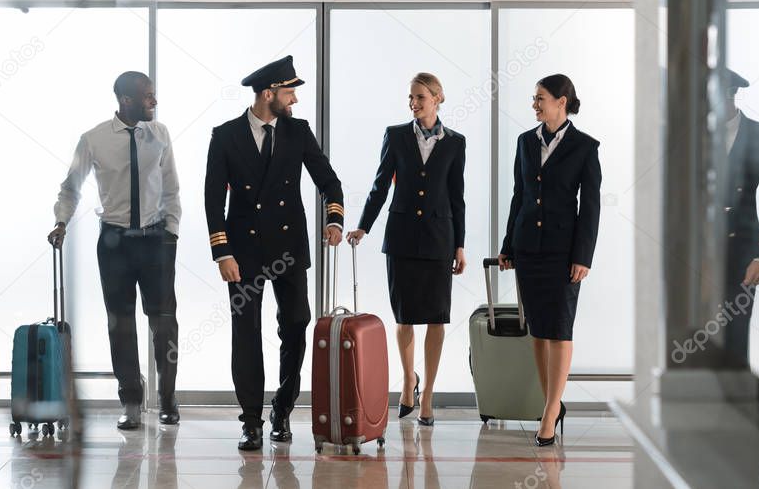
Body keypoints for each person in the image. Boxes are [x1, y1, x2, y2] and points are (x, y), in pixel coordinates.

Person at [204, 55, 345, 451]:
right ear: (269, 94)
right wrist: (222, 253)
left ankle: (282, 407)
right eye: (290, 92)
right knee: (246, 333)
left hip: (288, 247)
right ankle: (251, 420)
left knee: (296, 324)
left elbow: (328, 181)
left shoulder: (298, 132)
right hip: (243, 252)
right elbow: (213, 200)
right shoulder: (226, 135)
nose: (295, 100)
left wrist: (334, 219)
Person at [48, 71, 182, 429]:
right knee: (120, 326)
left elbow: (171, 189)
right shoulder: (93, 140)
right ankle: (132, 402)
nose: (154, 102)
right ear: (126, 100)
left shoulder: (160, 134)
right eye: (148, 96)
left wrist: (172, 234)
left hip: (156, 241)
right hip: (115, 244)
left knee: (164, 324)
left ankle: (168, 398)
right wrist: (61, 222)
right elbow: (70, 188)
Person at [347, 73, 467, 426]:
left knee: (436, 317)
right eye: (410, 98)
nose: (413, 103)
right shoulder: (396, 135)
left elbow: (457, 198)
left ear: (438, 98)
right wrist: (364, 226)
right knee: (404, 316)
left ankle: (427, 392)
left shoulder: (456, 142)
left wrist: (460, 245)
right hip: (401, 238)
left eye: (420, 97)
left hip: (439, 239)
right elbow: (380, 185)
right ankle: (408, 381)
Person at [497, 73, 601, 447]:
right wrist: (508, 245)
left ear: (562, 101)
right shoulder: (526, 142)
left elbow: (590, 207)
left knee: (560, 329)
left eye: (540, 97)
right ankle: (551, 405)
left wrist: (583, 257)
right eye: (534, 97)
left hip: (563, 253)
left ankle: (550, 410)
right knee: (538, 332)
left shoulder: (585, 147)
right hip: (528, 248)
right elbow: (518, 196)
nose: (535, 104)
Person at [721, 69, 759, 368]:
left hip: (742, 250)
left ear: (731, 95)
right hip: (698, 252)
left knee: (735, 330)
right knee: (696, 335)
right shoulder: (692, 137)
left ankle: (735, 403)